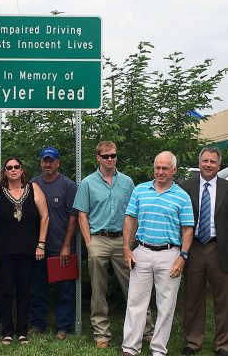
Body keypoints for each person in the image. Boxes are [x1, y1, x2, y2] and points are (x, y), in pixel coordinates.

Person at [73, 140, 152, 349]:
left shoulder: (127, 182)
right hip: (98, 239)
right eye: (106, 156)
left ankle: (146, 330)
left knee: (134, 286)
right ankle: (101, 334)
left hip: (122, 241)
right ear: (98, 158)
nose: (110, 159)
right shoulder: (87, 183)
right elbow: (82, 215)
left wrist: (130, 240)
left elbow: (134, 213)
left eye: (113, 155)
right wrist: (89, 243)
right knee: (98, 289)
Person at [121, 151, 194, 356]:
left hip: (170, 255)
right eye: (157, 167)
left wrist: (183, 256)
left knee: (166, 305)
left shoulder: (182, 196)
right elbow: (130, 219)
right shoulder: (140, 190)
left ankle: (158, 350)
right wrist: (126, 248)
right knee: (136, 302)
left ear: (174, 170)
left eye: (165, 168)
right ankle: (130, 348)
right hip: (142, 251)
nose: (160, 172)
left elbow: (188, 229)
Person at [180, 147, 228, 356]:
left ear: (219, 165)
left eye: (213, 162)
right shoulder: (186, 187)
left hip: (220, 249)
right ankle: (192, 342)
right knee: (192, 297)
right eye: (205, 161)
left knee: (224, 300)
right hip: (194, 248)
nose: (208, 165)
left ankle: (222, 345)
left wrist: (224, 239)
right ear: (199, 163)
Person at [0, 157, 49, 345]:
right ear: (5, 172)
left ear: (22, 170)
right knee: (5, 290)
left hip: (28, 250)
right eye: (9, 168)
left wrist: (41, 243)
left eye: (17, 167)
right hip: (4, 251)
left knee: (25, 291)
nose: (14, 170)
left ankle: (22, 331)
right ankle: (7, 330)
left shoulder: (33, 189)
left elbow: (45, 216)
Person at [29, 147, 78, 340]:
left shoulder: (68, 185)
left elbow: (73, 218)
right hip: (39, 247)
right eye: (45, 161)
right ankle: (37, 324)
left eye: (52, 161)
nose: (48, 164)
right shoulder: (33, 184)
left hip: (61, 247)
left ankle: (63, 327)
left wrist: (66, 245)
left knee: (65, 290)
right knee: (37, 287)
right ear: (41, 163)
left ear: (58, 163)